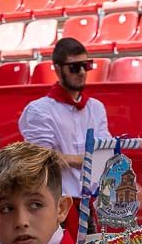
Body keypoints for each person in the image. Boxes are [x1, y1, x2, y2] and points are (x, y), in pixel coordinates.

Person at [18, 38, 110, 229]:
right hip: (55, 207)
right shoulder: (39, 110)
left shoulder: (96, 108)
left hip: (89, 203)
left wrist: (81, 159)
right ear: (58, 69)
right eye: (75, 67)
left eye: (87, 65)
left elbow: (106, 152)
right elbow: (41, 158)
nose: (83, 72)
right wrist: (84, 159)